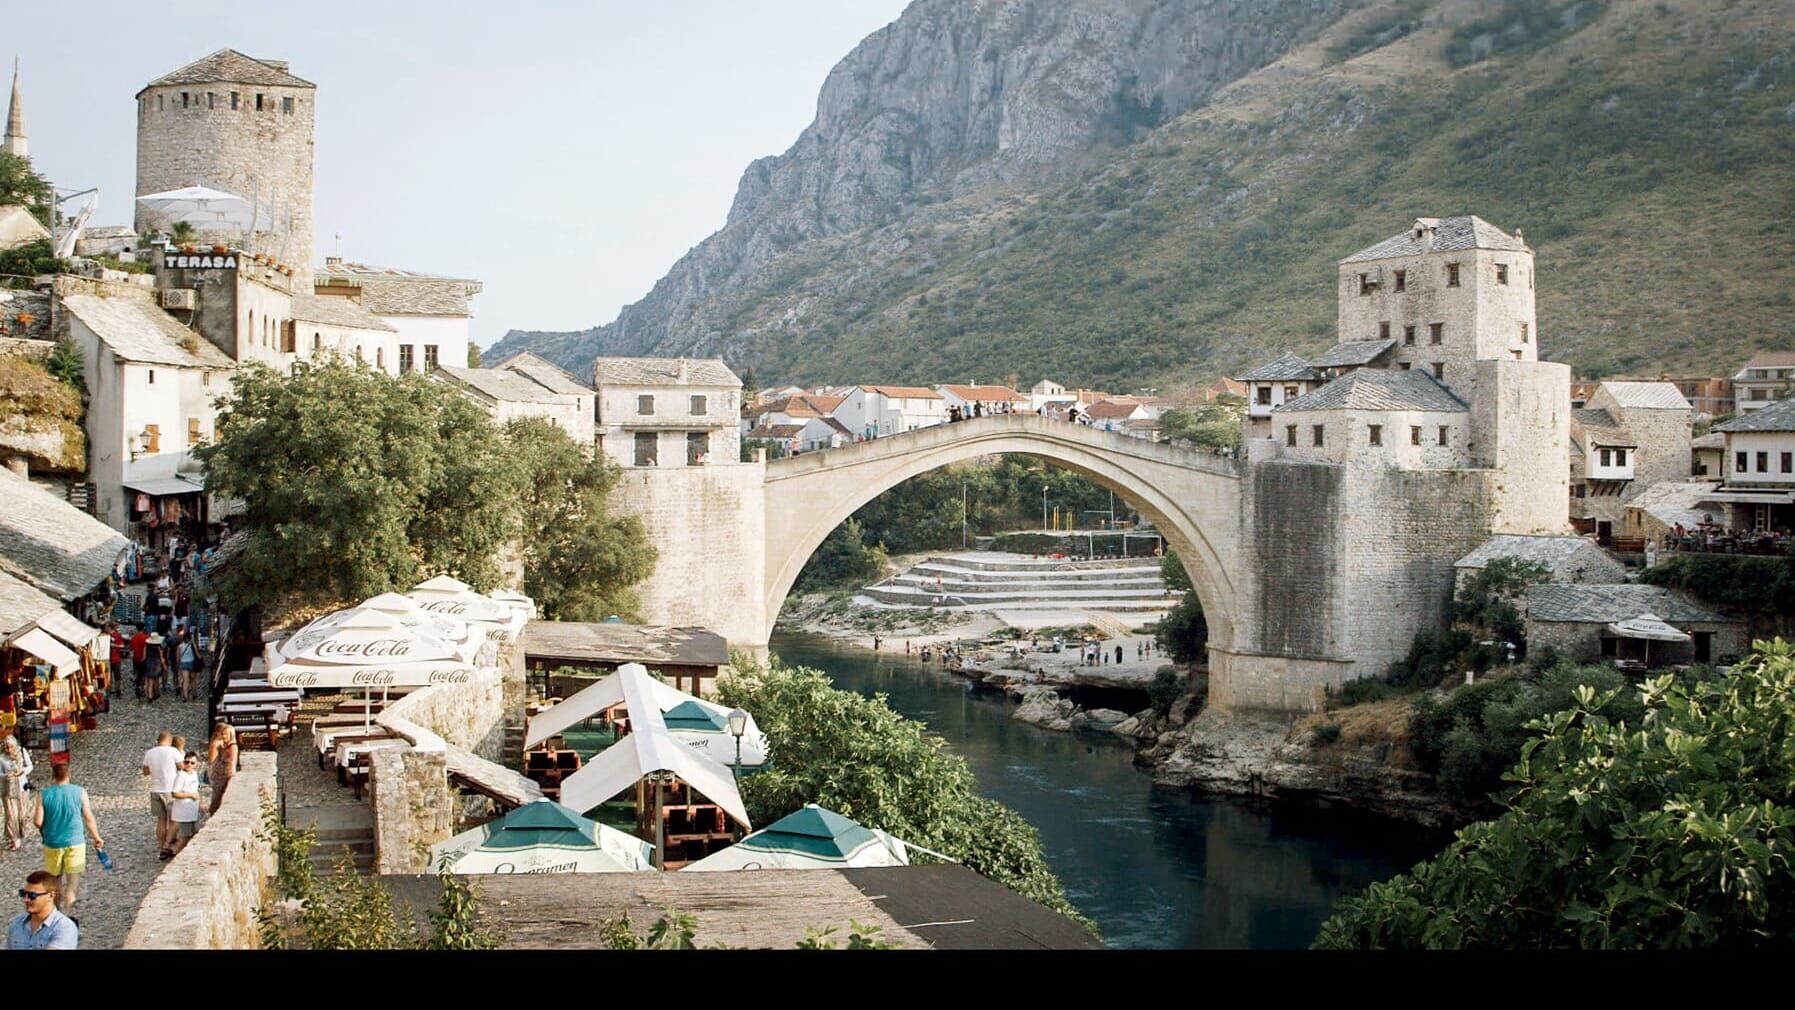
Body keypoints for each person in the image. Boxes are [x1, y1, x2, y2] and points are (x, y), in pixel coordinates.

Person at [34, 763, 102, 914]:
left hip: (52, 843)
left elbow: (37, 821)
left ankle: (56, 912)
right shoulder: (80, 792)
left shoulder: (44, 794)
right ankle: (69, 911)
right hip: (75, 842)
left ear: (53, 776)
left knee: (54, 881)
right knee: (72, 882)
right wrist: (96, 837)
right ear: (68, 775)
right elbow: (88, 817)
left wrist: (44, 831)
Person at [6, 871, 76, 949]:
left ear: (51, 896)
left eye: (32, 895)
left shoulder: (65, 927)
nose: (26, 899)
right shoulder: (16, 924)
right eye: (23, 893)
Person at [141, 731, 180, 858]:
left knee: (161, 820)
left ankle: (161, 846)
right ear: (169, 740)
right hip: (170, 789)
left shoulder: (150, 752)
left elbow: (145, 771)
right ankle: (168, 845)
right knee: (175, 819)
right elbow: (181, 766)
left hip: (155, 789)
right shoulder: (173, 751)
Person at [168, 754, 202, 857]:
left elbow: (195, 790)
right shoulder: (181, 775)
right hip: (183, 812)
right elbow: (174, 793)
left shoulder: (194, 774)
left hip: (192, 810)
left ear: (196, 764)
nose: (189, 765)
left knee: (190, 835)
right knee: (184, 837)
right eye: (187, 762)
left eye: (192, 763)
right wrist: (190, 795)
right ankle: (176, 855)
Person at [1, 736, 31, 849]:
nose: (9, 749)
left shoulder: (22, 752)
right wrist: (6, 776)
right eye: (6, 747)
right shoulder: (1, 758)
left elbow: (30, 766)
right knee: (11, 814)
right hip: (7, 788)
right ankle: (14, 838)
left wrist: (22, 771)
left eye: (11, 747)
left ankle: (22, 832)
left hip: (22, 787)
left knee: (23, 812)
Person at [206, 723, 238, 815]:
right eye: (223, 733)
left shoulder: (232, 746)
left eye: (226, 734)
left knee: (218, 796)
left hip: (224, 774)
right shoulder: (221, 744)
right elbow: (212, 760)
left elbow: (232, 763)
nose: (224, 736)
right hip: (219, 774)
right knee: (217, 796)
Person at [175, 629, 198, 702]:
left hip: (183, 663)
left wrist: (177, 665)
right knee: (193, 680)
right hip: (192, 662)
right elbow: (198, 655)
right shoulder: (193, 645)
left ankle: (185, 697)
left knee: (185, 681)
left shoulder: (179, 646)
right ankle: (194, 694)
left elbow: (178, 657)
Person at [140, 633, 163, 702]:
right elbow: (161, 658)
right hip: (157, 663)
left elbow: (144, 657)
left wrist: (141, 663)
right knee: (156, 680)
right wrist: (164, 665)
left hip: (149, 663)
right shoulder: (159, 647)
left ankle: (150, 696)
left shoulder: (146, 646)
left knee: (150, 681)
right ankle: (156, 693)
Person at [129, 626, 149, 699]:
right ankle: (141, 687)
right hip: (144, 658)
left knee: (137, 673)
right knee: (143, 674)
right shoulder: (146, 637)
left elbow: (131, 649)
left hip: (136, 658)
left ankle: (137, 686)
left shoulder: (134, 637)